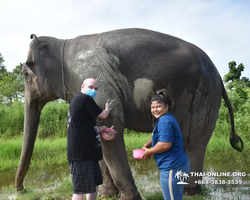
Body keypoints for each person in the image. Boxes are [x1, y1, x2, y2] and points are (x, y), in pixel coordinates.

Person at [67, 78, 118, 200]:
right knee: (80, 190)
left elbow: (82, 125)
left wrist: (98, 129)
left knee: (93, 186)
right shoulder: (84, 99)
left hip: (89, 154)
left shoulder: (80, 101)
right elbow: (103, 115)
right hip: (81, 155)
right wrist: (107, 108)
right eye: (90, 87)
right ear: (82, 86)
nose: (93, 91)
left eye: (96, 89)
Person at [142, 88, 190, 200]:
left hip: (172, 168)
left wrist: (149, 151)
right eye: (152, 107)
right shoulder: (167, 118)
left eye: (158, 106)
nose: (155, 110)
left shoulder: (164, 121)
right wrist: (146, 145)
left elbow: (165, 144)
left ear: (166, 106)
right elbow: (157, 136)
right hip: (180, 164)